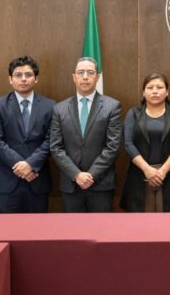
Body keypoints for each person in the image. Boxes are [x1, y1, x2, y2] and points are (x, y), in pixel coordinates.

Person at [49, 57, 122, 212]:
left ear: (98, 77)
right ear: (74, 77)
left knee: (102, 227)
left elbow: (112, 147)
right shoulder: (59, 109)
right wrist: (76, 175)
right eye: (81, 72)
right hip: (71, 184)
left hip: (101, 184)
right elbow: (56, 148)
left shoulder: (112, 106)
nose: (85, 77)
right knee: (72, 227)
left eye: (90, 72)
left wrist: (91, 175)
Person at [0, 56, 55, 213]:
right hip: (6, 180)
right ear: (10, 79)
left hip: (37, 179)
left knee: (38, 227)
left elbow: (51, 140)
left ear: (36, 78)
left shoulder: (50, 106)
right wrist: (21, 166)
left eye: (28, 75)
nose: (23, 79)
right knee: (6, 227)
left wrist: (30, 165)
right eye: (18, 75)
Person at [120, 72, 170, 212]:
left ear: (167, 92)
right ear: (143, 92)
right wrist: (147, 169)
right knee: (141, 221)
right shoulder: (133, 113)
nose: (154, 91)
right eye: (150, 87)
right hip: (140, 175)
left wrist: (162, 171)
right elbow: (128, 144)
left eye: (159, 87)